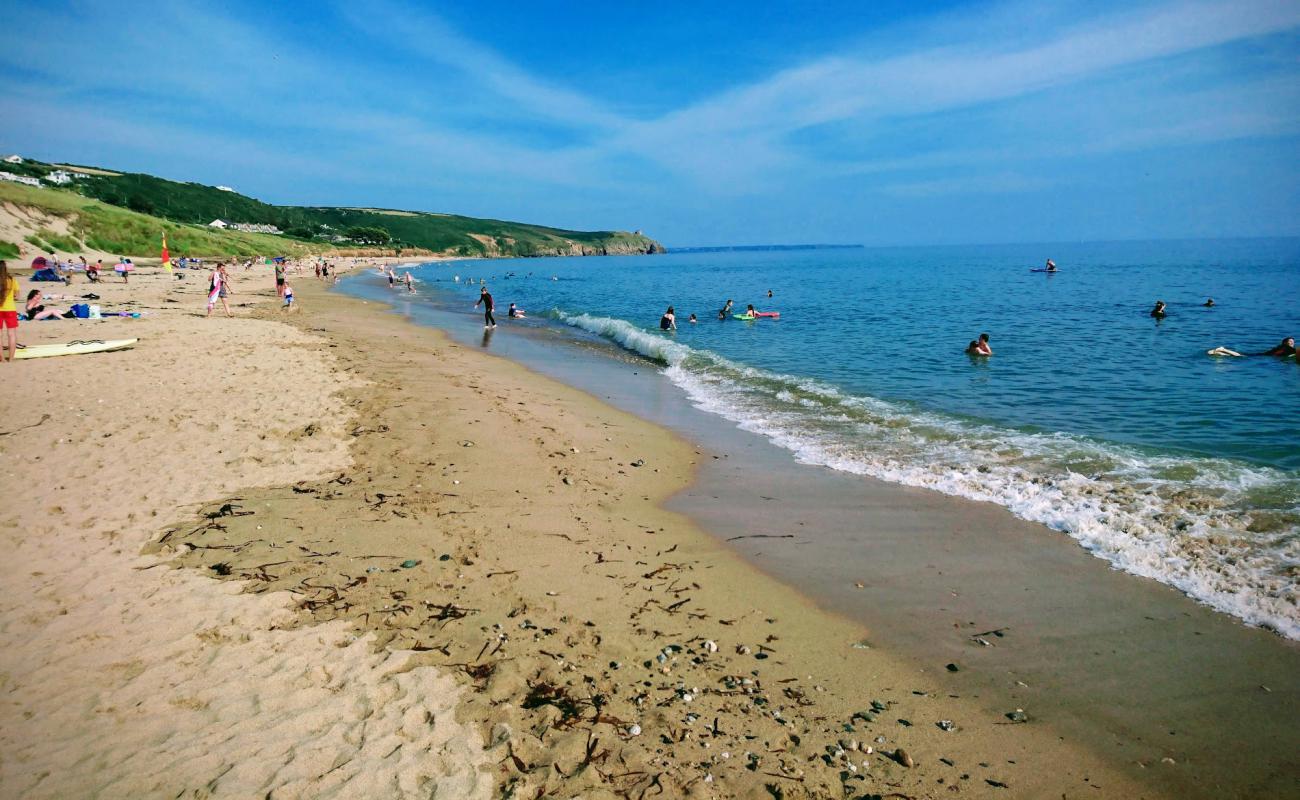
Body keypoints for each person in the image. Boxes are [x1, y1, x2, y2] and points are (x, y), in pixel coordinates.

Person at [1208, 337, 1294, 358]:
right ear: (1285, 343)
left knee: (1241, 355)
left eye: (1293, 342)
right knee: (1240, 356)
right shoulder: (1286, 347)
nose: (1292, 343)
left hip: (1263, 355)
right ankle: (1223, 349)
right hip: (1262, 356)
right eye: (1290, 342)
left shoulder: (1283, 348)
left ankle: (1219, 353)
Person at [0, 261, 17, 362]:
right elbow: (17, 296)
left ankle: (2, 359)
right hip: (10, 308)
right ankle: (11, 359)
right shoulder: (12, 280)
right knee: (12, 334)